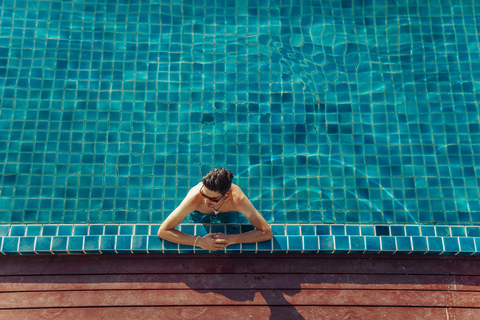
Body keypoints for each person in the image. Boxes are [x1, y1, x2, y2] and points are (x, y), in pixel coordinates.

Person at [158, 168, 273, 251]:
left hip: (228, 214)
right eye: (204, 194)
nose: (205, 201)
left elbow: (266, 232)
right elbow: (163, 231)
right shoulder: (195, 198)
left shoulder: (237, 200)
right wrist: (199, 242)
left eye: (213, 199)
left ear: (227, 194)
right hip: (200, 214)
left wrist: (232, 239)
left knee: (231, 222)